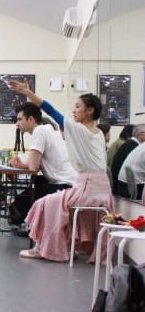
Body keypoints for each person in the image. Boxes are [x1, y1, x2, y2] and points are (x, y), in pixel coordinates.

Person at [10, 80, 113, 262]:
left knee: (43, 205)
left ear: (90, 111)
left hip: (87, 189)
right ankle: (65, 247)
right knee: (53, 203)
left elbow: (51, 110)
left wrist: (29, 93)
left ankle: (47, 249)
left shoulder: (80, 130)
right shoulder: (96, 133)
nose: (74, 111)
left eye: (77, 106)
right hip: (102, 190)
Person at [9, 102, 77, 225]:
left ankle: (30, 229)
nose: (17, 124)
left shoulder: (39, 131)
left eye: (19, 119)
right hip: (70, 183)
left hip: (63, 186)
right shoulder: (50, 130)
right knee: (35, 185)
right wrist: (23, 165)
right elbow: (38, 163)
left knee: (20, 203)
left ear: (31, 119)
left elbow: (34, 167)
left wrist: (23, 164)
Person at [112, 124, 145, 197]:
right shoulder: (132, 145)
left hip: (124, 184)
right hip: (130, 187)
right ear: (140, 134)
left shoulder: (135, 145)